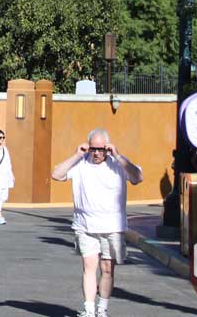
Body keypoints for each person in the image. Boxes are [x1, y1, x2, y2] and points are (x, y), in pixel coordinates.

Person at [51, 128, 143, 317]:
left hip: (112, 227)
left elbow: (137, 177)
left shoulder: (118, 165)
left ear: (107, 148)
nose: (97, 153)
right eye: (93, 149)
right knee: (89, 266)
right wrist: (77, 154)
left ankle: (102, 308)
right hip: (85, 226)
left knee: (107, 268)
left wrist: (118, 155)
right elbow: (56, 174)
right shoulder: (80, 164)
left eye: (101, 149)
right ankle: (89, 309)